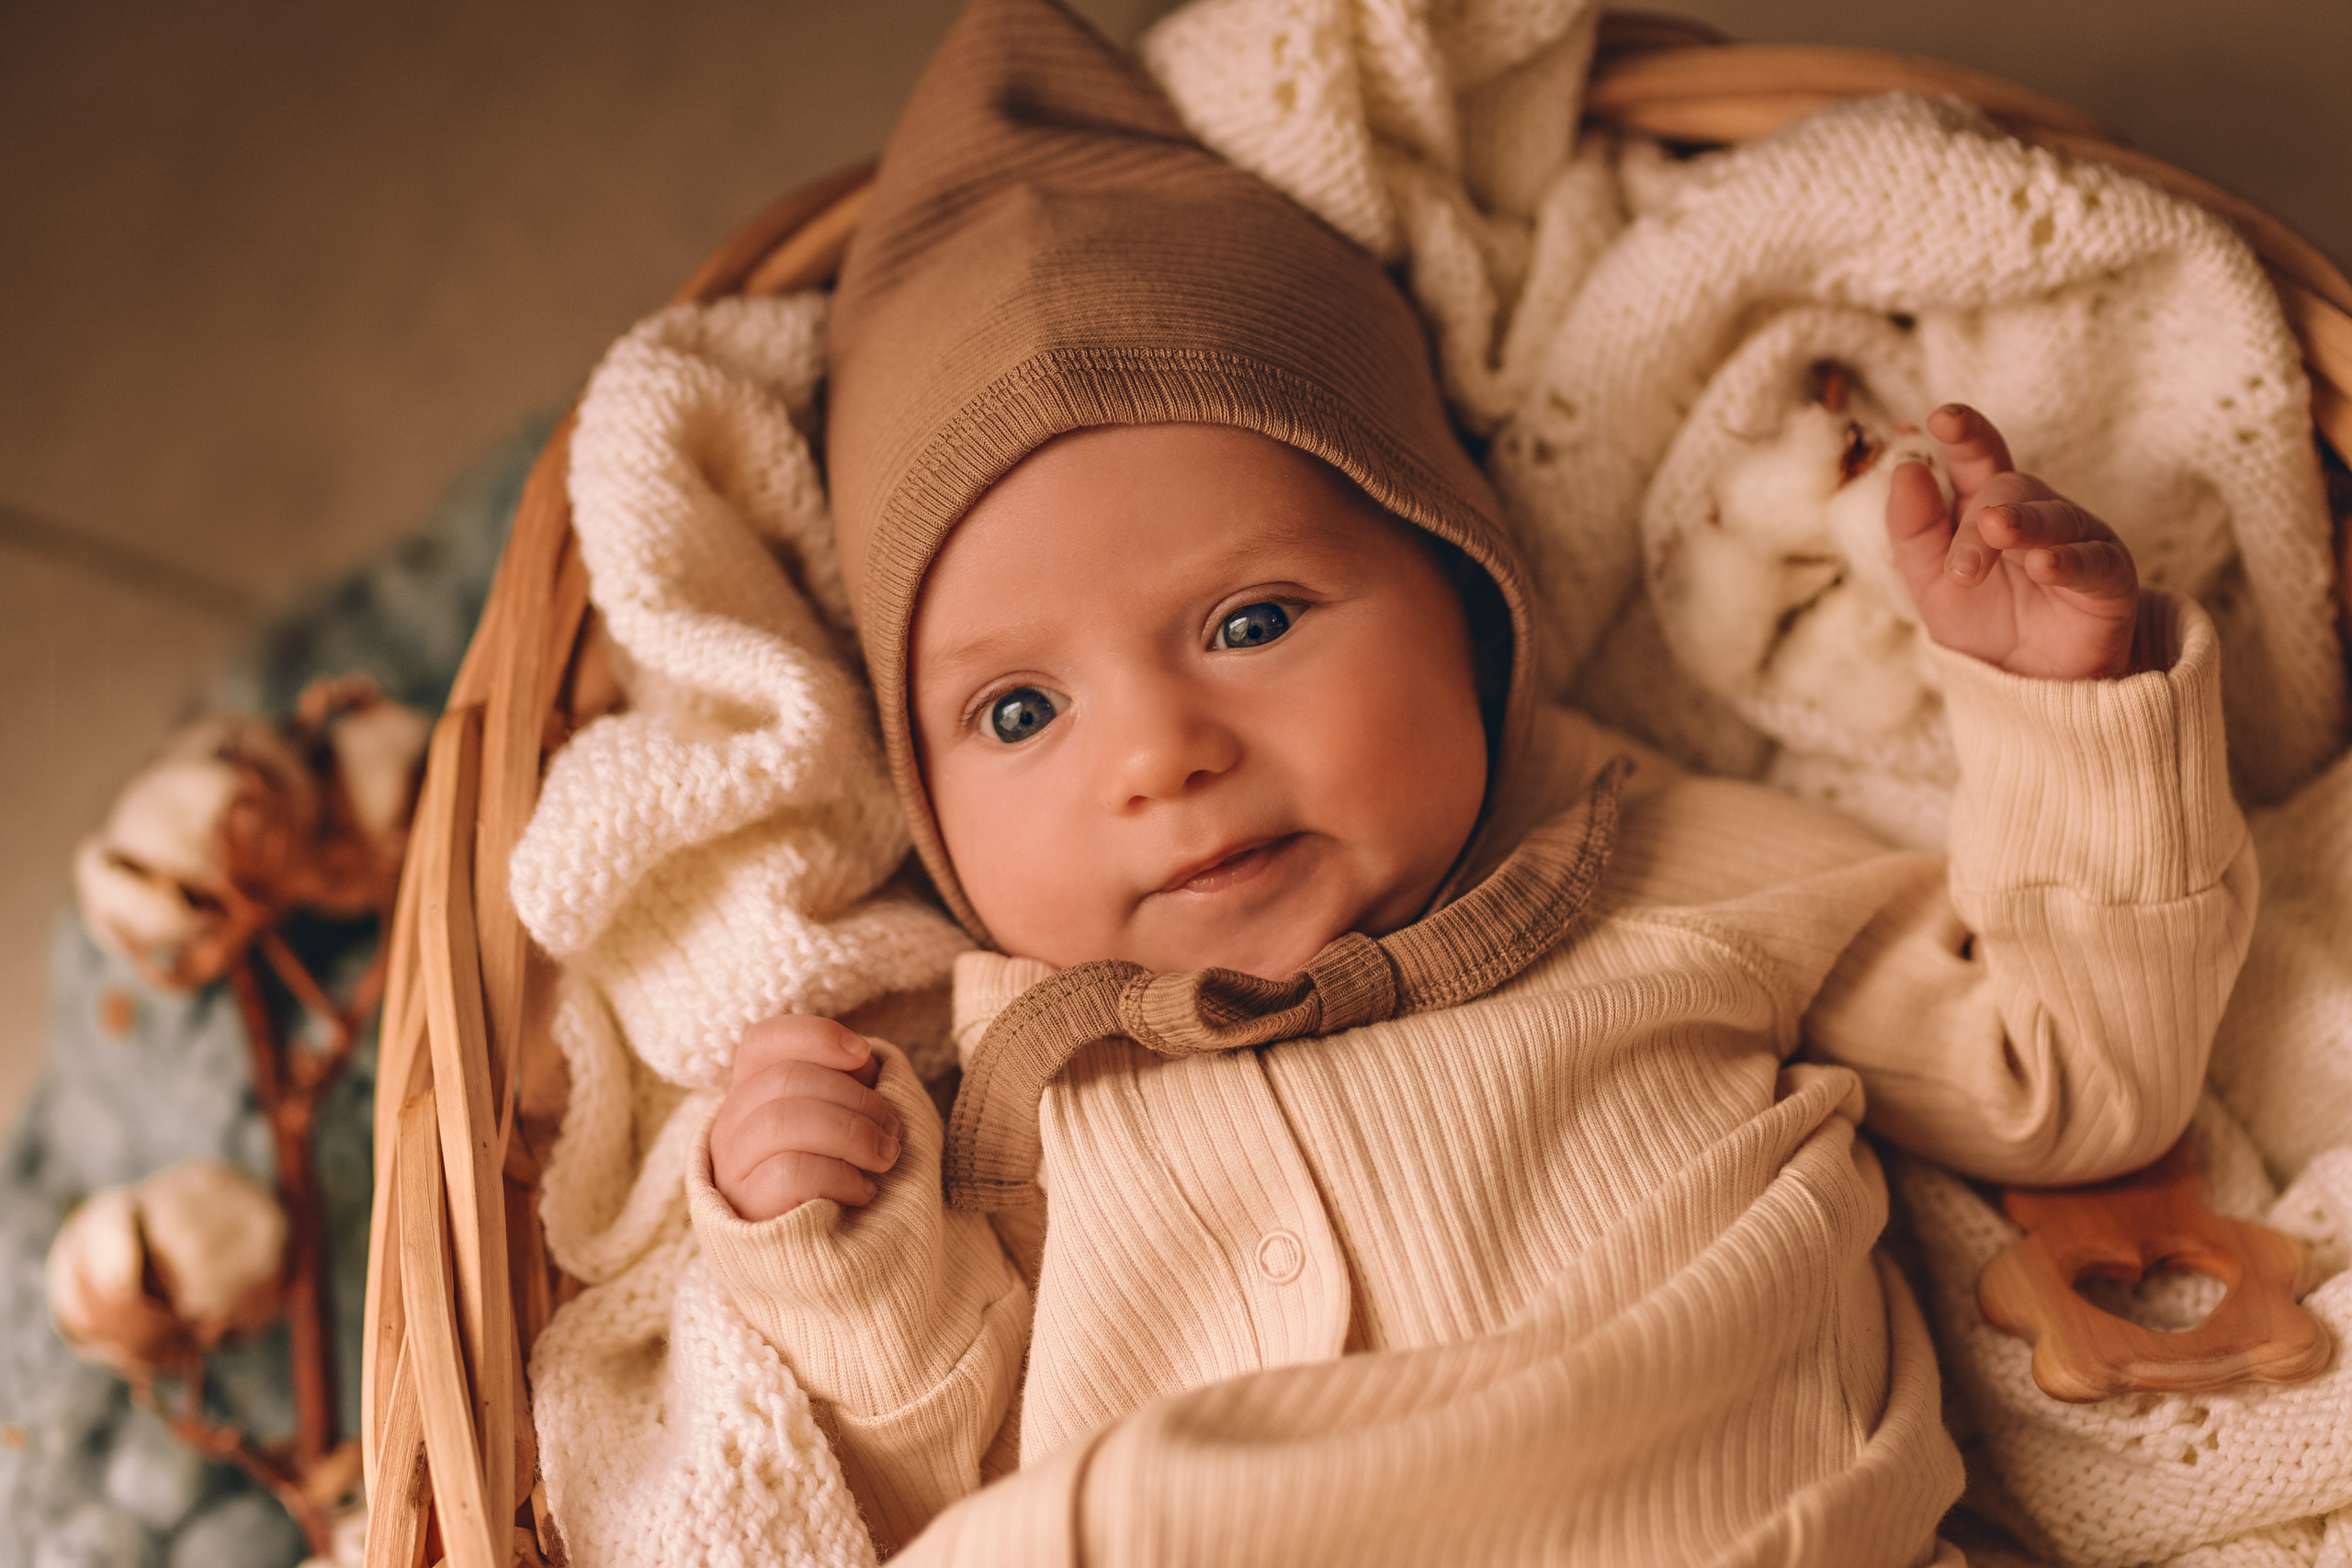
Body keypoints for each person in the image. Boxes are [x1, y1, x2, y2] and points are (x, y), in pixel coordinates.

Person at [687, 0, 2254, 1560]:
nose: (1162, 756)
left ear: (1463, 595)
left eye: (1251, 622)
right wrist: (834, 1251)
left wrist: (2069, 708)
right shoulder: (1012, 1100)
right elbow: (920, 1483)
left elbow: (2075, 1085)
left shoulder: (1658, 862)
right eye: (1021, 711)